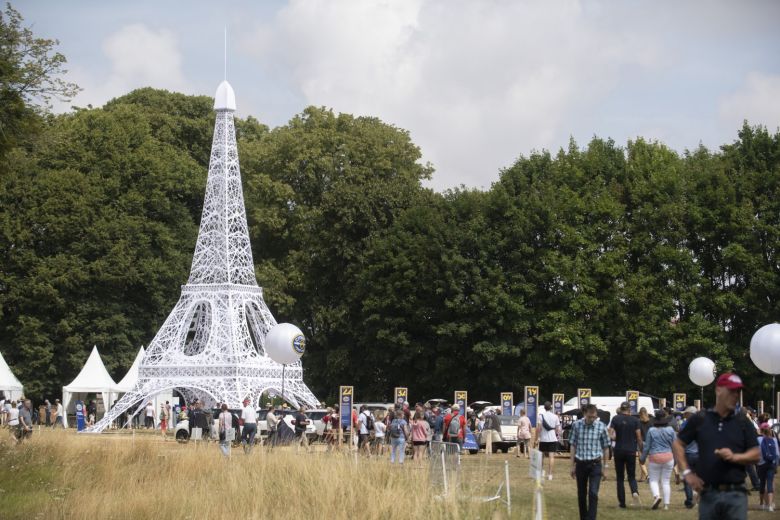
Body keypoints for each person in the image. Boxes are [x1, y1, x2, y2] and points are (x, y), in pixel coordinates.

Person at [672, 373, 760, 520]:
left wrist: (735, 457)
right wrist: (687, 473)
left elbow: (756, 453)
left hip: (736, 494)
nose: (736, 395)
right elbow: (678, 443)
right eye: (732, 391)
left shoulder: (743, 421)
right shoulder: (701, 418)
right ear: (718, 390)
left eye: (738, 391)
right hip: (708, 494)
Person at [569, 403, 611, 520]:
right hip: (581, 464)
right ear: (584, 414)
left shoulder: (601, 426)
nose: (592, 419)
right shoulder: (576, 426)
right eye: (589, 417)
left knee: (593, 493)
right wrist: (572, 465)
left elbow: (606, 447)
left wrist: (605, 467)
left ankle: (591, 518)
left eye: (594, 417)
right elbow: (572, 445)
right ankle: (583, 517)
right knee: (581, 494)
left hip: (595, 464)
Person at [608, 401, 643, 508]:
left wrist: (614, 438)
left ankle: (622, 503)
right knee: (631, 476)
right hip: (631, 450)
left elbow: (610, 431)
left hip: (619, 449)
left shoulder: (615, 418)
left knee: (620, 477)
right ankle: (634, 492)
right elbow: (638, 437)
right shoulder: (635, 420)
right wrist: (641, 449)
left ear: (621, 409)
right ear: (629, 409)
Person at [640, 410, 675, 510]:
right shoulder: (670, 430)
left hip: (655, 457)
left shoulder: (651, 430)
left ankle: (656, 496)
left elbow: (647, 447)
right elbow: (675, 445)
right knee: (666, 481)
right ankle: (666, 504)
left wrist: (642, 458)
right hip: (668, 456)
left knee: (654, 480)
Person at [680, 406, 700, 509]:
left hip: (688, 454)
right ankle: (698, 497)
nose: (684, 415)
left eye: (686, 414)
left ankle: (689, 500)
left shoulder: (684, 425)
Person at [757, 422, 779, 511]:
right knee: (770, 482)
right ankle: (770, 505)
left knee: (762, 483)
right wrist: (775, 464)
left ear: (761, 430)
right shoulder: (774, 440)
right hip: (771, 464)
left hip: (761, 464)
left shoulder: (758, 439)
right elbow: (777, 454)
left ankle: (762, 504)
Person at [537, 401, 561, 480]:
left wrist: (537, 438)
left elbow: (539, 428)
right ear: (551, 407)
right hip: (552, 438)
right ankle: (550, 475)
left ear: (544, 407)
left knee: (541, 457)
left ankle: (540, 474)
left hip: (543, 439)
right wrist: (557, 436)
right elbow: (557, 429)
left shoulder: (541, 416)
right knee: (551, 457)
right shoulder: (555, 416)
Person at [638, 407, 652, 481]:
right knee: (647, 460)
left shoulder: (638, 422)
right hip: (650, 442)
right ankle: (642, 477)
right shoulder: (651, 421)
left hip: (641, 441)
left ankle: (646, 475)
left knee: (641, 461)